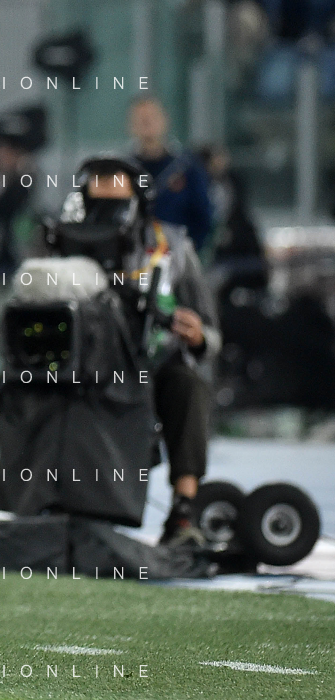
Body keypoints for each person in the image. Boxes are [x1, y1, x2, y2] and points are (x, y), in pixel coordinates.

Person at [65, 156, 221, 547]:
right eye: (97, 203)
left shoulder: (173, 247)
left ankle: (183, 510)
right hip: (82, 367)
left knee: (188, 385)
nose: (107, 214)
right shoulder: (60, 244)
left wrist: (198, 336)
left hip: (154, 362)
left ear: (140, 199)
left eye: (117, 203)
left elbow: (212, 333)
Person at [128, 94, 212, 251]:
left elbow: (203, 215)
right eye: (141, 119)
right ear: (131, 125)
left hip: (178, 251)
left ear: (164, 120)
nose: (147, 123)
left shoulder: (187, 167)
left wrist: (189, 249)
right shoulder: (124, 171)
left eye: (152, 117)